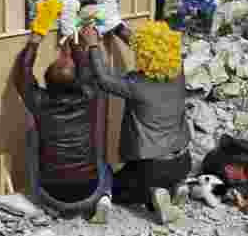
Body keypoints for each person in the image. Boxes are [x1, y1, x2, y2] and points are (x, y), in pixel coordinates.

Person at [82, 20, 191, 225]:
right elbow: (150, 47)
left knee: (117, 188)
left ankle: (154, 192)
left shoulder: (136, 84)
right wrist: (119, 28)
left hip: (152, 166)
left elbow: (103, 79)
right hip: (183, 161)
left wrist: (93, 45)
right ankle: (176, 186)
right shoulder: (178, 70)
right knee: (153, 177)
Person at [14, 0, 111, 222]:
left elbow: (22, 73)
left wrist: (37, 35)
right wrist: (73, 36)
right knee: (104, 164)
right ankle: (104, 198)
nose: (61, 55)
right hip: (89, 191)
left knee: (32, 139)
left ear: (46, 80)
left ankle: (44, 205)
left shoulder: (39, 102)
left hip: (52, 193)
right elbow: (86, 69)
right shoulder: (89, 95)